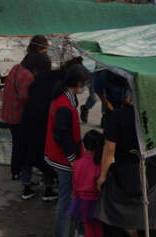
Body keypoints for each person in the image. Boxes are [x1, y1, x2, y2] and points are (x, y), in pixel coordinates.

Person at [95, 84, 156, 237]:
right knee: (148, 224)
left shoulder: (117, 116)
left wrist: (102, 176)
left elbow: (109, 151)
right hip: (150, 178)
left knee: (114, 221)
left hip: (122, 177)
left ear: (131, 95)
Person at [45, 63, 92, 237]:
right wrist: (72, 159)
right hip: (62, 159)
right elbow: (61, 135)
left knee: (67, 199)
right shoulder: (64, 105)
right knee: (65, 202)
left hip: (57, 154)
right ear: (78, 83)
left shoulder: (63, 97)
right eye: (84, 84)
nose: (85, 87)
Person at [2, 34, 51, 180]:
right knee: (22, 145)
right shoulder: (27, 76)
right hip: (18, 115)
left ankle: (16, 171)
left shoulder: (17, 67)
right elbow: (24, 98)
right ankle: (19, 172)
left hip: (9, 113)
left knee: (17, 144)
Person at [20, 57, 59, 201]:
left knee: (28, 155)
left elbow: (28, 94)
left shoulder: (35, 81)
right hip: (44, 123)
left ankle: (26, 187)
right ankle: (48, 188)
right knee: (47, 156)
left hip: (29, 120)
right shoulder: (55, 81)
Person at [68, 130, 105, 237]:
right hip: (96, 204)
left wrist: (76, 201)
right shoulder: (100, 164)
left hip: (81, 203)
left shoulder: (77, 163)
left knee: (88, 231)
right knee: (99, 231)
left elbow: (75, 187)